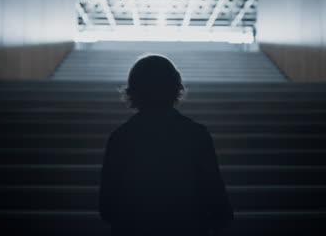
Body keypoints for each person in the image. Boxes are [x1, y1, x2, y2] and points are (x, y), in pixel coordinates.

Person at [98, 54, 233, 236]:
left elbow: (107, 205)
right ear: (176, 89)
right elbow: (214, 192)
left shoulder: (120, 137)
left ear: (134, 91)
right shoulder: (196, 134)